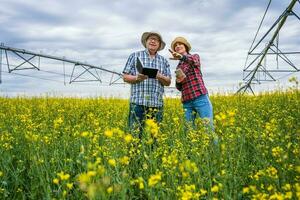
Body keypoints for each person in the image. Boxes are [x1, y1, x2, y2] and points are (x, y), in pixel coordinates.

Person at [123, 31, 171, 136]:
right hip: (138, 103)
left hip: (156, 104)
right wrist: (137, 78)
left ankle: (152, 152)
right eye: (150, 39)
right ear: (146, 42)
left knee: (154, 138)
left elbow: (168, 82)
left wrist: (160, 76)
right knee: (134, 136)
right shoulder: (135, 56)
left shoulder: (164, 61)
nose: (153, 41)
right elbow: (125, 77)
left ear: (159, 45)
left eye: (156, 40)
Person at [169, 36, 214, 130]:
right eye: (175, 46)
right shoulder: (178, 67)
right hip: (186, 102)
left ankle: (213, 145)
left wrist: (181, 57)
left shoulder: (194, 57)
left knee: (208, 129)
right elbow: (179, 87)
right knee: (188, 131)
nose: (177, 46)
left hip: (200, 97)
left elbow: (193, 60)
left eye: (180, 44)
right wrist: (178, 82)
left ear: (185, 46)